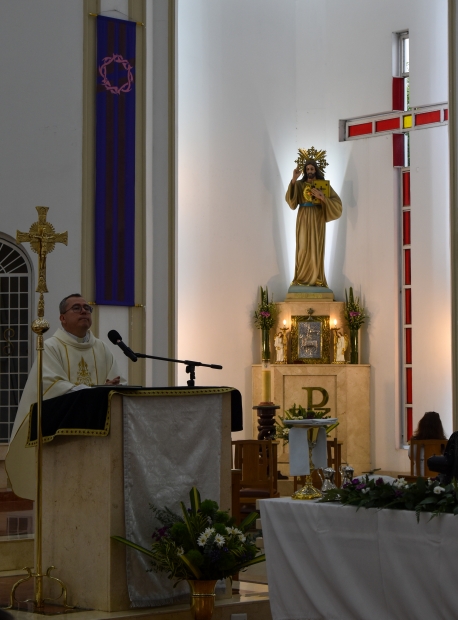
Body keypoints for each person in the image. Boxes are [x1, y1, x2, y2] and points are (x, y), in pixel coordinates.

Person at [6, 293, 125, 500]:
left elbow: (117, 381)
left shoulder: (102, 348)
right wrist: (93, 391)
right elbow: (50, 384)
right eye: (77, 308)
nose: (84, 311)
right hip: (61, 436)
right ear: (62, 317)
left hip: (100, 437)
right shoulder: (51, 347)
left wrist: (104, 389)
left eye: (87, 308)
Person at [285, 159, 342, 287]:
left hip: (317, 218)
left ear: (316, 170)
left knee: (316, 247)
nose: (310, 171)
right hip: (304, 217)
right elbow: (292, 203)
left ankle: (317, 278)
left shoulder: (322, 185)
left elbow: (337, 203)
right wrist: (294, 179)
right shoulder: (300, 184)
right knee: (303, 247)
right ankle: (301, 279)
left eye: (312, 169)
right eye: (307, 169)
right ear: (305, 171)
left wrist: (323, 198)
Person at [408, 411, 448, 476]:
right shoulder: (444, 444)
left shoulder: (415, 443)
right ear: (439, 428)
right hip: (438, 481)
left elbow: (411, 457)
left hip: (418, 480)